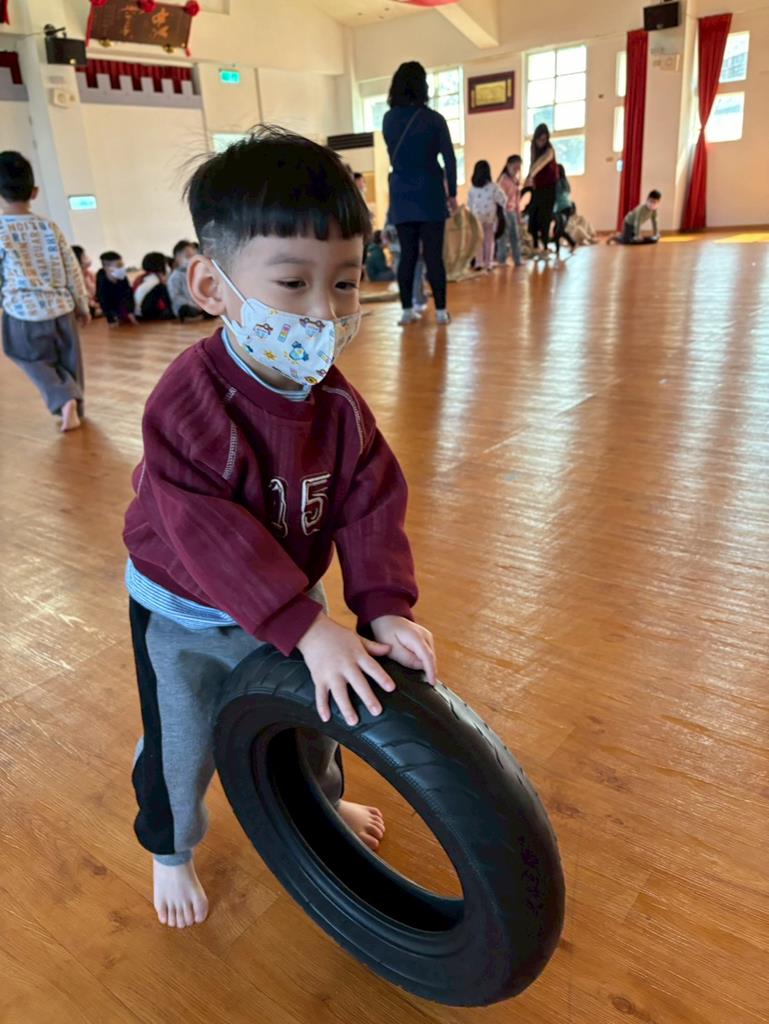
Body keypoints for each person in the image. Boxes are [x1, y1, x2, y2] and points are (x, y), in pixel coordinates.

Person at [122, 126, 438, 929]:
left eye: (345, 282)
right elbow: (205, 532)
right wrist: (305, 625)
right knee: (182, 743)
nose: (324, 312)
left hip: (288, 605)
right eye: (293, 282)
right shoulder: (187, 404)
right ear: (212, 284)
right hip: (183, 614)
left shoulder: (337, 406)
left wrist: (382, 608)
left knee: (318, 719)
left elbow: (371, 499)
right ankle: (170, 847)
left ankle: (322, 805)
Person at [0, 150, 89, 432]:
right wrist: (82, 304)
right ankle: (75, 408)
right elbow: (72, 268)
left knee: (28, 357)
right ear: (34, 192)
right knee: (70, 360)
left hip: (23, 313)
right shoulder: (49, 226)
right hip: (62, 309)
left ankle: (64, 400)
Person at [383, 61, 457, 326]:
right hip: (430, 194)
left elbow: (394, 155)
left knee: (407, 256)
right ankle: (441, 311)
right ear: (422, 86)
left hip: (402, 194)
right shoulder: (434, 119)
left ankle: (406, 310)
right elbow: (449, 159)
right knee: (434, 257)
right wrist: (452, 193)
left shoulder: (389, 119)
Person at [525, 124, 558, 257]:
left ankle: (544, 246)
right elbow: (532, 163)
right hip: (538, 188)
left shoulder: (549, 150)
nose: (541, 142)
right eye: (539, 139)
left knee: (545, 217)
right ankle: (535, 245)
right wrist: (530, 180)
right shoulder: (533, 147)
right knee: (533, 215)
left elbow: (539, 165)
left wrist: (529, 176)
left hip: (549, 188)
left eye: (544, 140)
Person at [467, 160, 506, 272]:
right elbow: (502, 199)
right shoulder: (494, 187)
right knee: (489, 240)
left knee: (478, 240)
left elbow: (469, 204)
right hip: (490, 216)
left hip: (476, 217)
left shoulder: (473, 188)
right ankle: (488, 263)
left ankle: (478, 262)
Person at [496, 154, 524, 267]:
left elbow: (517, 200)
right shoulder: (503, 180)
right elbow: (500, 199)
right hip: (504, 212)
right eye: (515, 167)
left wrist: (518, 215)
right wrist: (501, 215)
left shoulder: (515, 180)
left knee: (515, 236)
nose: (517, 170)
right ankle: (501, 260)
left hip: (512, 212)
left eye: (519, 168)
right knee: (503, 237)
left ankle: (518, 260)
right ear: (508, 166)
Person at [167, 239, 205, 321]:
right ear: (177, 259)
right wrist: (193, 305)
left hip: (198, 305)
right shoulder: (175, 276)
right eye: (188, 256)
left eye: (194, 256)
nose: (192, 259)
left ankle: (199, 316)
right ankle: (194, 317)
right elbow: (176, 296)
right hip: (185, 305)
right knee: (185, 310)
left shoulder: (196, 273)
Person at [96, 251, 136, 326]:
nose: (122, 268)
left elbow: (128, 295)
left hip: (124, 309)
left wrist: (130, 311)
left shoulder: (122, 277)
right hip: (113, 313)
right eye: (118, 266)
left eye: (122, 265)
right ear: (106, 267)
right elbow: (103, 300)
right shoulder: (101, 280)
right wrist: (112, 317)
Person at [133, 251, 174, 321]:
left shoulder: (144, 277)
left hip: (139, 314)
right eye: (166, 264)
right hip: (147, 315)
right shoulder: (155, 281)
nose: (168, 267)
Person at [553, 164, 577, 254]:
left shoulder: (560, 182)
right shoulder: (564, 181)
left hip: (564, 208)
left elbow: (558, 193)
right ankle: (558, 249)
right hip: (560, 208)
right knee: (557, 229)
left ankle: (572, 243)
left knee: (559, 230)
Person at [72, 244, 100, 317]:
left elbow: (98, 290)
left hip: (96, 303)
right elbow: (83, 298)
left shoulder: (90, 273)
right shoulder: (77, 279)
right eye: (84, 256)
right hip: (88, 307)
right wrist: (95, 305)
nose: (87, 258)